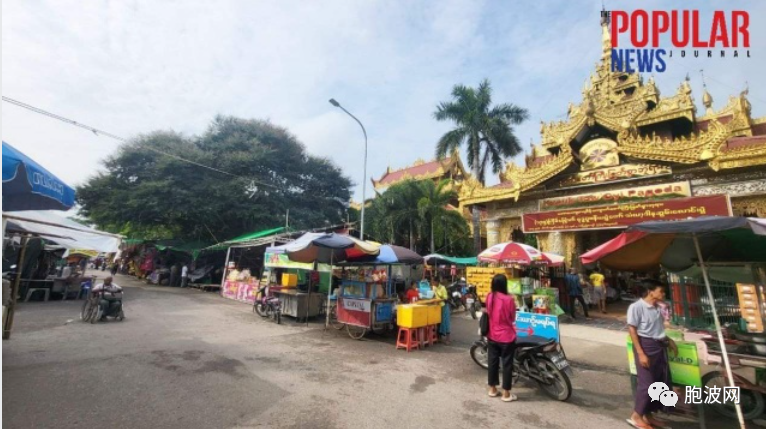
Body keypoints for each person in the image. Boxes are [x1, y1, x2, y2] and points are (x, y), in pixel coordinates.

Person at [626, 279, 677, 429]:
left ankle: (648, 415)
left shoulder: (658, 308)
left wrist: (669, 340)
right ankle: (636, 415)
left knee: (658, 383)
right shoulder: (636, 307)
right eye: (660, 291)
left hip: (659, 347)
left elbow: (657, 329)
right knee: (647, 385)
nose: (663, 293)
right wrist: (641, 353)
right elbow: (632, 330)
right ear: (650, 292)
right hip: (645, 347)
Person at [486, 274, 518, 402]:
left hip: (492, 335)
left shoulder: (489, 296)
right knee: (507, 364)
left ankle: (493, 389)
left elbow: (488, 313)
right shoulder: (509, 299)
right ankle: (506, 393)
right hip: (506, 337)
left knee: (493, 362)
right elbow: (512, 318)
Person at [432, 279, 451, 345]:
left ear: (437, 282)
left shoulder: (442, 288)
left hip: (444, 306)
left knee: (446, 322)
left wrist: (439, 300)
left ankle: (448, 339)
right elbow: (433, 295)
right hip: (437, 307)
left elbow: (446, 298)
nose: (433, 283)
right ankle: (439, 338)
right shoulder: (434, 287)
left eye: (434, 281)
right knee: (438, 322)